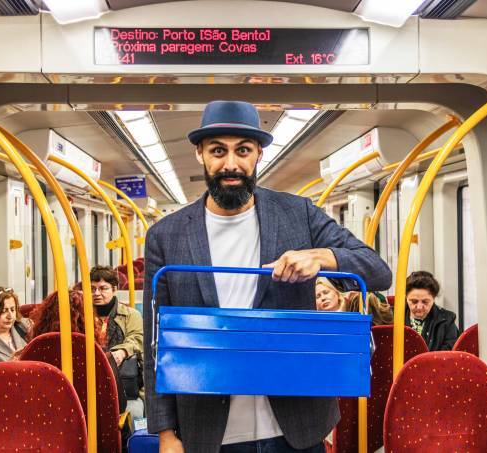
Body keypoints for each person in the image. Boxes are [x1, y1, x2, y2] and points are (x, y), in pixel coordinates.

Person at [144, 100, 392, 453]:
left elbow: (378, 270)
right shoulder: (165, 236)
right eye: (218, 151)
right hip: (208, 432)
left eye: (242, 150)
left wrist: (321, 257)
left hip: (295, 427)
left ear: (258, 154)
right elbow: (155, 342)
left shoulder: (299, 214)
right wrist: (166, 433)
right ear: (200, 154)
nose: (231, 164)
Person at [26, 289, 128, 413]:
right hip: (93, 429)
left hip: (45, 426)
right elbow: (119, 405)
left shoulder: (33, 352)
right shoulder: (97, 356)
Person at [90, 265, 145, 418]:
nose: (97, 293)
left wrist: (122, 351)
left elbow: (137, 339)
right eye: (92, 289)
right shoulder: (81, 316)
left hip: (125, 384)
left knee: (133, 413)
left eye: (103, 288)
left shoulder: (130, 315)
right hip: (90, 381)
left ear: (114, 289)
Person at [404, 271, 460, 351]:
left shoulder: (446, 321)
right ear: (406, 298)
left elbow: (450, 354)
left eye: (425, 302)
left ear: (433, 298)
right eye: (414, 301)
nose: (419, 307)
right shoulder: (392, 318)